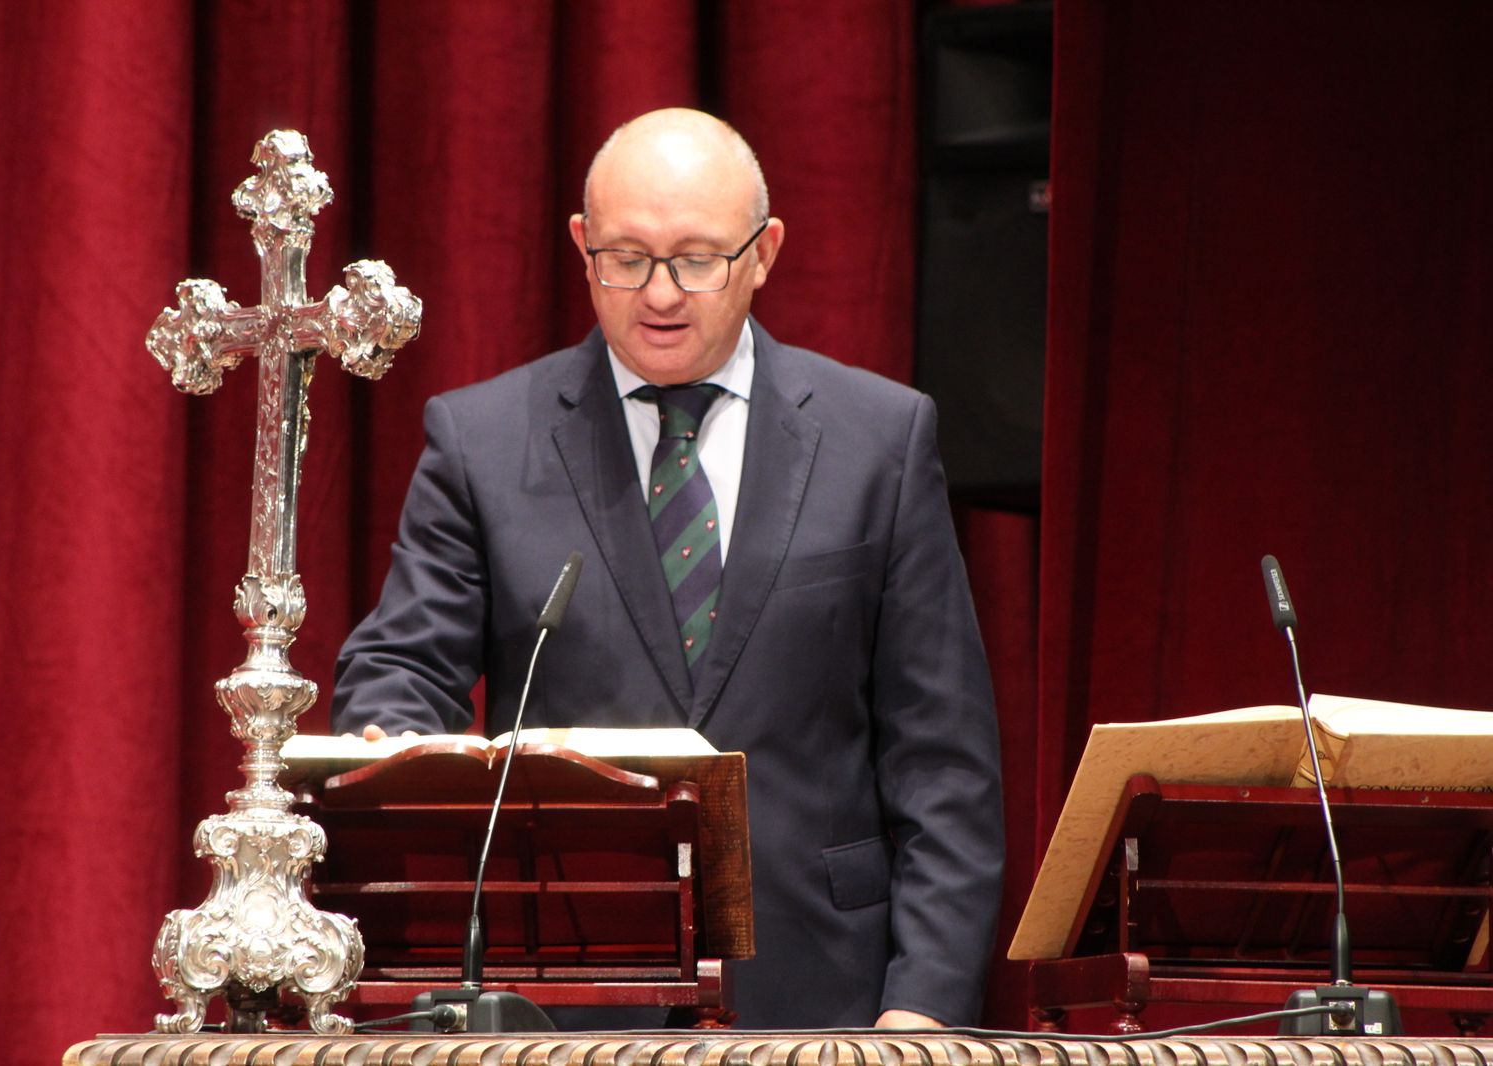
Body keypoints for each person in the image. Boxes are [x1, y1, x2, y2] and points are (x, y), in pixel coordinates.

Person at [331, 108, 1003, 1029]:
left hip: (825, 998)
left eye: (696, 260)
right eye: (627, 259)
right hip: (565, 992)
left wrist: (922, 1011)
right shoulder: (481, 442)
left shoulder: (880, 439)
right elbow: (399, 672)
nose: (660, 294)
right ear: (581, 246)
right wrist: (396, 744)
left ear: (763, 252)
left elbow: (944, 762)